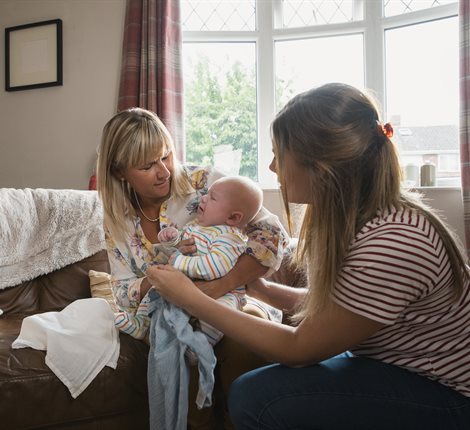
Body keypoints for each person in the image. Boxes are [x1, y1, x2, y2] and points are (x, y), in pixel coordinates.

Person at [147, 82, 470, 429]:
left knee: (255, 398)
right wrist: (261, 290)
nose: (272, 168)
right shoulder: (359, 218)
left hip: (448, 392)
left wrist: (191, 298)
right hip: (397, 364)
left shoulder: (392, 242)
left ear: (319, 167)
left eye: (278, 154)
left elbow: (300, 348)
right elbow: (337, 308)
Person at [96, 107, 289, 429]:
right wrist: (159, 278)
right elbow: (122, 291)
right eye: (147, 166)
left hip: (232, 300)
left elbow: (272, 237)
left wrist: (218, 286)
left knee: (244, 331)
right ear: (120, 172)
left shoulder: (207, 183)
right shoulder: (116, 218)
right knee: (175, 345)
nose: (164, 172)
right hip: (166, 313)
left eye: (166, 156)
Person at [115, 175, 273, 348]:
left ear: (233, 218)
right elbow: (180, 244)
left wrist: (178, 262)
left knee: (219, 316)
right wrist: (172, 240)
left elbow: (215, 267)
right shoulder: (196, 227)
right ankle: (141, 324)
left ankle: (196, 348)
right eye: (207, 193)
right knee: (156, 289)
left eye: (212, 198)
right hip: (188, 283)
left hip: (222, 293)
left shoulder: (229, 237)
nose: (203, 197)